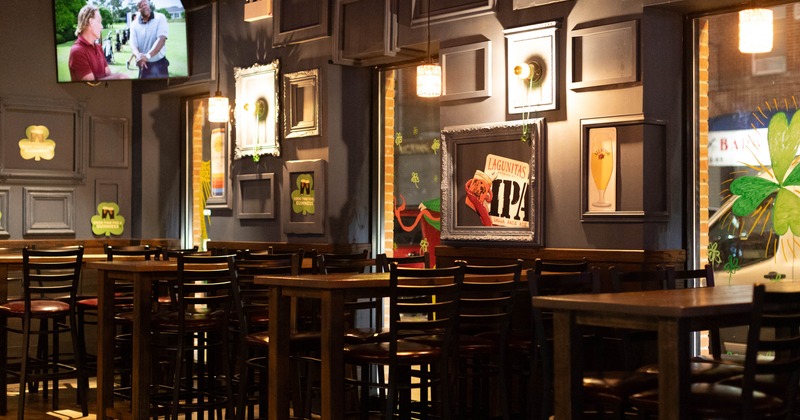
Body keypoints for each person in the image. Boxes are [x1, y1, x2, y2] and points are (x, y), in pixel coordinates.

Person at [68, 5, 126, 81]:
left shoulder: (98, 48)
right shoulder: (77, 51)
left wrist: (117, 77)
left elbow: (108, 75)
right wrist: (119, 76)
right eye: (99, 22)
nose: (102, 26)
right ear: (91, 22)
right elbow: (91, 86)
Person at [130, 0, 169, 79]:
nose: (144, 6)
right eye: (141, 5)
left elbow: (161, 39)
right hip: (144, 65)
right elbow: (133, 44)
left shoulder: (160, 17)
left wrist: (147, 56)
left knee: (163, 90)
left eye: (146, 3)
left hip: (159, 64)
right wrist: (138, 56)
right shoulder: (134, 24)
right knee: (144, 90)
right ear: (138, 9)